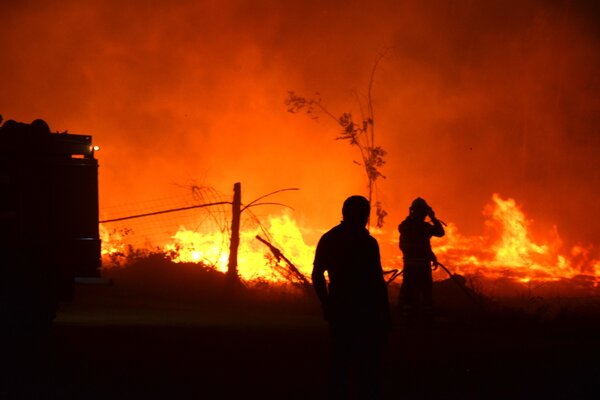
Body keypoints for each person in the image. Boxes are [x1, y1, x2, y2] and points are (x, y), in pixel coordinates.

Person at [312, 195, 391, 399]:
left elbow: (317, 274)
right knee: (366, 361)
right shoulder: (368, 242)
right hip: (365, 309)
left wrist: (326, 303)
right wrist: (384, 312)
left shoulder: (330, 238)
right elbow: (376, 280)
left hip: (341, 306)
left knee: (341, 358)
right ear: (364, 216)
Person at [398, 197, 445, 323]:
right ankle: (427, 320)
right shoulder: (425, 227)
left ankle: (408, 319)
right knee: (426, 293)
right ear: (425, 212)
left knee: (409, 293)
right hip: (423, 267)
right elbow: (440, 232)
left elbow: (416, 244)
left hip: (410, 266)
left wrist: (431, 255)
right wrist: (433, 217)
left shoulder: (406, 226)